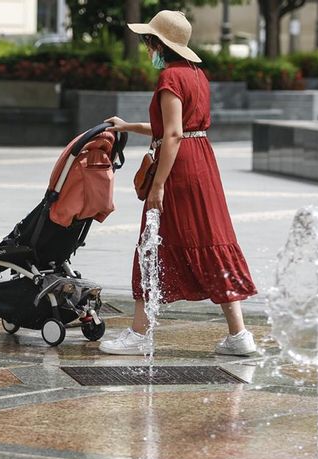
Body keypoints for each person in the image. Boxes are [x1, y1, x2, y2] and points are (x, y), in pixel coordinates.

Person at [99, 11, 258, 356]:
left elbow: (172, 135)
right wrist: (128, 126)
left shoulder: (169, 77)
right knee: (211, 238)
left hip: (177, 169)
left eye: (148, 42)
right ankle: (239, 335)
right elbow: (180, 128)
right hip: (201, 163)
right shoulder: (197, 75)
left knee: (151, 243)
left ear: (159, 44)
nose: (147, 49)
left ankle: (139, 334)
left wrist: (158, 186)